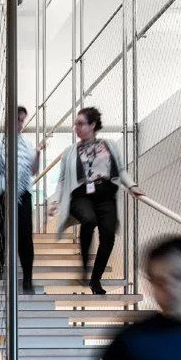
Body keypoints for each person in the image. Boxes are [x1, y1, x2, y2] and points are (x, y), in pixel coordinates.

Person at [49, 106, 143, 295]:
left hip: (106, 194)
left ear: (93, 125)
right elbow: (62, 181)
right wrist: (54, 201)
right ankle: (84, 264)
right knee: (89, 219)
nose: (77, 128)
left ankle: (95, 280)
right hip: (81, 195)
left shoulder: (109, 146)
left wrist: (132, 186)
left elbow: (121, 170)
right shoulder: (69, 152)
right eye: (75, 124)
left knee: (108, 236)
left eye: (81, 124)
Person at [0, 105, 46, 294]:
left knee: (24, 237)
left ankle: (28, 278)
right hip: (1, 195)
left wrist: (38, 152)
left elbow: (33, 170)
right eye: (17, 120)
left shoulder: (27, 146)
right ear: (7, 121)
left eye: (22, 120)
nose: (20, 124)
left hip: (22, 195)